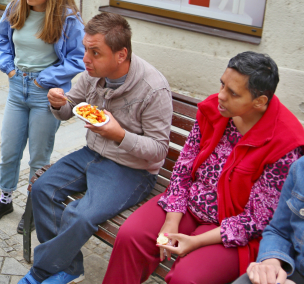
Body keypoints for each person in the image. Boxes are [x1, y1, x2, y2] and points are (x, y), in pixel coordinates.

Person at [103, 52, 304, 284]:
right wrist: (172, 220)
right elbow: (183, 167)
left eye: (233, 93)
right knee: (131, 236)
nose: (221, 95)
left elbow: (256, 220)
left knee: (186, 278)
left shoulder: (286, 143)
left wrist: (195, 241)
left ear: (259, 102)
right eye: (222, 84)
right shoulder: (214, 109)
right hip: (189, 204)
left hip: (231, 230)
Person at [18, 12, 173, 284]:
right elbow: (69, 108)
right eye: (86, 49)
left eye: (95, 52)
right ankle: (69, 267)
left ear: (121, 55)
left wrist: (119, 134)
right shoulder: (93, 74)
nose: (85, 59)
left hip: (132, 170)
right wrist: (57, 102)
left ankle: (41, 272)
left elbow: (159, 149)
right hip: (92, 154)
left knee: (80, 215)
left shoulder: (153, 88)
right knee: (42, 189)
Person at [0, 0, 85, 233]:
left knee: (39, 157)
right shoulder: (17, 7)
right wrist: (8, 68)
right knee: (9, 150)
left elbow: (78, 59)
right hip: (17, 89)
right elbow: (4, 41)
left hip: (44, 94)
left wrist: (44, 79)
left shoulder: (67, 19)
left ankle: (33, 206)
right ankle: (5, 199)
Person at [234, 157, 304, 284]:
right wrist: (271, 263)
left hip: (240, 235)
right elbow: (279, 231)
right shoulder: (300, 168)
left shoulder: (283, 157)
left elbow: (254, 220)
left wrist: (198, 241)